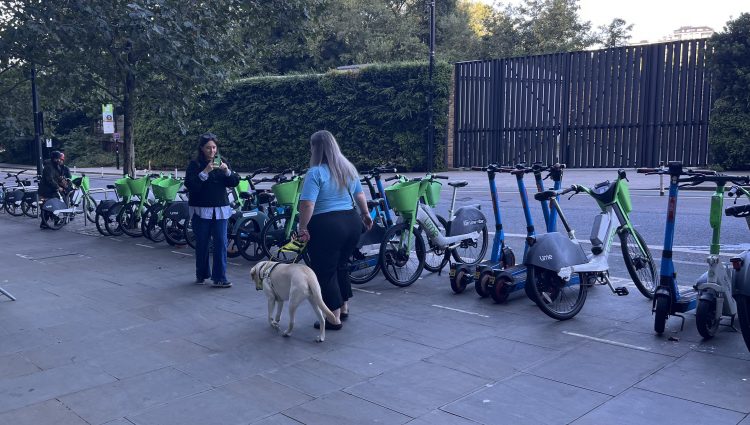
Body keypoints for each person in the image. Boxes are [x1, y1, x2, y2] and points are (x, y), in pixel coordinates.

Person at [297, 130, 373, 330]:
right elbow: (360, 195)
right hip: (351, 222)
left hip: (327, 226)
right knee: (341, 265)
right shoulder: (347, 168)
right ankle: (344, 306)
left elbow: (307, 205)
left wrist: (303, 226)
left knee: (325, 270)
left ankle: (333, 317)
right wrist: (366, 215)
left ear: (316, 148)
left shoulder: (315, 172)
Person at [184, 133, 240, 287]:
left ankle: (220, 277)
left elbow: (235, 181)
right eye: (208, 147)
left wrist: (227, 170)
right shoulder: (195, 165)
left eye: (214, 147)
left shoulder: (222, 162)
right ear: (202, 148)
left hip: (221, 208)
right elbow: (191, 185)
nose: (212, 151)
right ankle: (201, 274)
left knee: (221, 243)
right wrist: (205, 172)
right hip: (201, 209)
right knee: (202, 243)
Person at [38, 151, 71, 229]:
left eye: (60, 159)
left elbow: (57, 177)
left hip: (50, 189)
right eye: (58, 159)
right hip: (47, 190)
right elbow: (50, 179)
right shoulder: (49, 167)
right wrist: (58, 187)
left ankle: (45, 223)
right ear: (54, 159)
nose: (59, 160)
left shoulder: (55, 166)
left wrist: (62, 182)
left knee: (48, 206)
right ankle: (56, 220)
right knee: (54, 203)